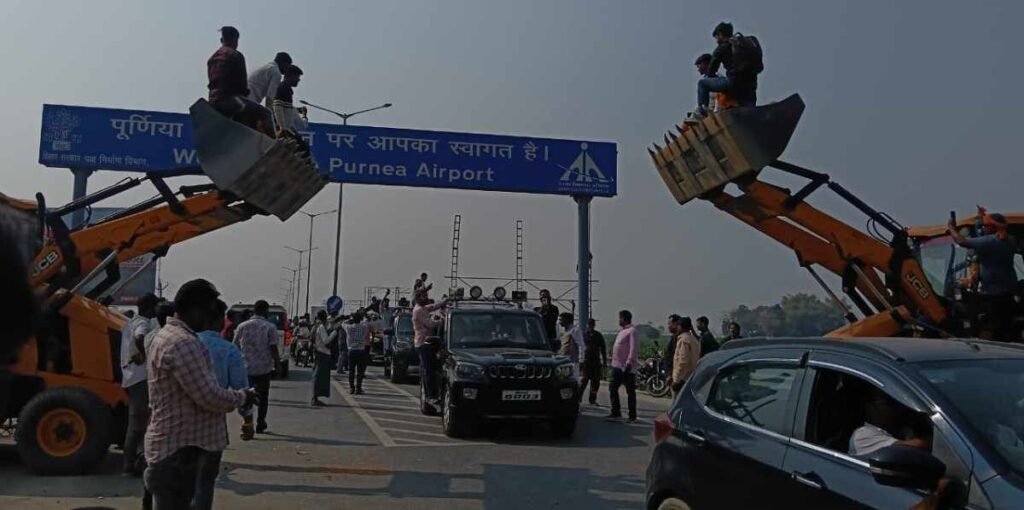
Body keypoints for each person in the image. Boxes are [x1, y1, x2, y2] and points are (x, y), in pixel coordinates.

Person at [143, 279, 257, 510]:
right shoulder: (182, 343)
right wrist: (243, 397)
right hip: (177, 452)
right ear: (195, 309)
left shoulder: (166, 335)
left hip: (174, 446)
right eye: (207, 311)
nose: (208, 319)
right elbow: (209, 396)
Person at [194, 299, 253, 509]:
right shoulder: (228, 351)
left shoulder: (179, 345)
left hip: (174, 431)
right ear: (219, 320)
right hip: (211, 431)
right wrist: (248, 421)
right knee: (204, 484)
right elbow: (242, 391)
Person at [948, 209, 1018, 341]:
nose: (983, 228)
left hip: (993, 296)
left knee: (987, 325)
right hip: (1007, 294)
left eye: (985, 226)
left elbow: (961, 241)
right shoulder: (1010, 240)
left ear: (993, 227)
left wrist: (951, 227)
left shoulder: (991, 242)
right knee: (1006, 327)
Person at [685, 22, 760, 124]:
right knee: (750, 109)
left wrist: (712, 78)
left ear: (720, 34)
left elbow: (711, 71)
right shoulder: (745, 43)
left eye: (716, 37)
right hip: (751, 85)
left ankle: (701, 114)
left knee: (702, 84)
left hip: (733, 83)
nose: (716, 41)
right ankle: (753, 119)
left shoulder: (722, 48)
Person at [206, 26, 274, 136]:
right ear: (235, 40)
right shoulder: (235, 55)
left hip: (213, 100)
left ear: (221, 40)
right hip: (230, 100)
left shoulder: (211, 59)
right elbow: (242, 87)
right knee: (265, 113)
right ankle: (274, 144)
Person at [120, 293, 160, 476]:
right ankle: (131, 465)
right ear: (150, 308)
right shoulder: (143, 323)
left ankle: (132, 462)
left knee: (136, 423)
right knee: (138, 424)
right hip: (139, 378)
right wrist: (143, 354)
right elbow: (139, 336)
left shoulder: (131, 321)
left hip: (131, 376)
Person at [233, 300, 280, 433]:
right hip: (264, 368)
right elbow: (273, 348)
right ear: (266, 311)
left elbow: (235, 346)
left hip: (246, 367)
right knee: (263, 397)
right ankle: (260, 422)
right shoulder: (269, 327)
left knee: (247, 397)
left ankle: (248, 422)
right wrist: (277, 365)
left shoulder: (242, 326)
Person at [849, 387, 930, 456]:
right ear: (869, 407)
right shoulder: (863, 434)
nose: (892, 408)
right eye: (886, 403)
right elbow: (917, 446)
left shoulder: (897, 429)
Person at [413, 290, 447, 403]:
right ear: (418, 298)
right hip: (424, 343)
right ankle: (430, 395)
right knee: (428, 371)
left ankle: (431, 394)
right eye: (424, 297)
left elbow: (432, 306)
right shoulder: (418, 310)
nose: (426, 298)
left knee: (431, 370)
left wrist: (443, 302)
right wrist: (442, 321)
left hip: (427, 342)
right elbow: (430, 324)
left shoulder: (422, 308)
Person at [608, 310, 640, 422]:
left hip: (626, 366)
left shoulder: (632, 331)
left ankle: (632, 415)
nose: (618, 320)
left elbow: (633, 348)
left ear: (624, 319)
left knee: (630, 391)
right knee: (612, 388)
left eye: (620, 318)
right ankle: (615, 412)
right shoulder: (622, 331)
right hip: (617, 365)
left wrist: (629, 362)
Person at [668, 315, 700, 396]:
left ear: (680, 326)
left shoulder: (683, 340)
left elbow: (683, 362)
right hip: (692, 377)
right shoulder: (694, 339)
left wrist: (676, 381)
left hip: (682, 379)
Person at [272, 64, 308, 135]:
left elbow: (285, 108)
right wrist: (282, 128)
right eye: (297, 77)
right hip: (284, 132)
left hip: (286, 131)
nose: (298, 79)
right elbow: (277, 108)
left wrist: (298, 111)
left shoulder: (286, 90)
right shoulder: (283, 89)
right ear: (290, 76)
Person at [579, 319, 607, 406]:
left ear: (594, 325)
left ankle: (592, 399)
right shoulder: (583, 335)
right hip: (586, 361)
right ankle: (579, 397)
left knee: (595, 382)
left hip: (596, 362)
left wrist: (605, 360)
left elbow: (603, 349)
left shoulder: (598, 335)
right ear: (587, 325)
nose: (590, 326)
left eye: (592, 324)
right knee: (584, 381)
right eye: (589, 324)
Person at [343, 310, 371, 394]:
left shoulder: (349, 327)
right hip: (361, 350)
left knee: (351, 370)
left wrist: (349, 319)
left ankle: (352, 388)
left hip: (351, 350)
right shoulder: (364, 327)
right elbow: (367, 322)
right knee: (360, 371)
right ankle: (358, 388)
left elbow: (342, 323)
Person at [311, 310, 334, 406]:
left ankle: (315, 397)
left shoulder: (315, 326)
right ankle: (314, 398)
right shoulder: (321, 327)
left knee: (317, 375)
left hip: (317, 352)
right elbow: (326, 341)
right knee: (319, 376)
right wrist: (334, 332)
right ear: (324, 317)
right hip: (322, 352)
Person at [557, 312, 585, 379]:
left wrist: (581, 360)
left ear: (567, 320)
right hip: (562, 362)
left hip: (573, 362)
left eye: (561, 320)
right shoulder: (562, 332)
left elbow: (581, 345)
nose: (559, 322)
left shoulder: (575, 331)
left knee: (573, 381)